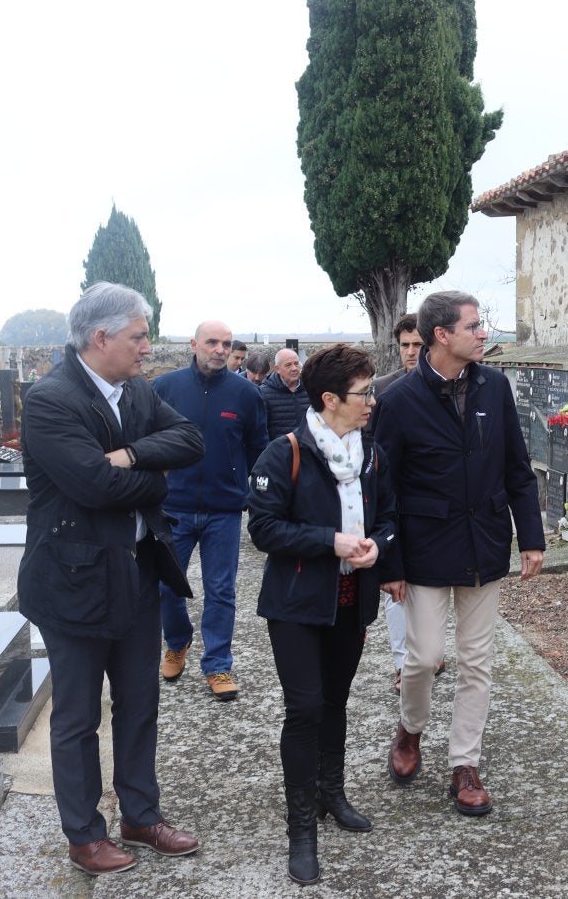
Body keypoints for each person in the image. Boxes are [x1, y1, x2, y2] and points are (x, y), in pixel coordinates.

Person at [17, 282, 203, 876]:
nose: (148, 347)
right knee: (77, 715)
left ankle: (140, 816)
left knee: (140, 702)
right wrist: (156, 478)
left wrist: (131, 456)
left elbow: (190, 440)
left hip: (136, 573)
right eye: (139, 336)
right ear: (101, 338)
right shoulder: (51, 400)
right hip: (72, 581)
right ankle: (84, 834)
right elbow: (93, 487)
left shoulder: (136, 391)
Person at [375, 290, 545, 817]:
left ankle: (464, 764)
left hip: (484, 543)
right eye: (473, 326)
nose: (483, 333)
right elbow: (383, 489)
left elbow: (517, 466)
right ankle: (410, 729)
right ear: (442, 335)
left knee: (477, 661)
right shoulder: (398, 400)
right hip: (425, 547)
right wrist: (389, 563)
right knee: (424, 657)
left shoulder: (494, 386)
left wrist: (531, 536)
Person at [248, 344, 399, 885]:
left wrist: (379, 546)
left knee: (335, 700)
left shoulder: (371, 454)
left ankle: (331, 794)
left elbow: (389, 517)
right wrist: (329, 541)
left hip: (350, 598)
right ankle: (301, 829)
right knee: (305, 706)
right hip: (296, 602)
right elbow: (263, 528)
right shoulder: (284, 452)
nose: (372, 402)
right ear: (330, 399)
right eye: (364, 393)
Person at [152, 320, 269, 701]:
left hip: (224, 510)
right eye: (212, 342)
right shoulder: (165, 388)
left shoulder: (246, 394)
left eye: (226, 343)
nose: (220, 349)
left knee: (221, 590)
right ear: (194, 344)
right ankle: (177, 641)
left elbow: (258, 449)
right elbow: (149, 442)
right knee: (166, 585)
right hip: (174, 506)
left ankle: (217, 663)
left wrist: (250, 491)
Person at [366, 313, 433, 693]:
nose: (410, 352)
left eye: (417, 345)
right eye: (405, 345)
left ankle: (428, 651)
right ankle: (402, 664)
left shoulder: (446, 387)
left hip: (433, 507)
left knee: (432, 587)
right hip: (393, 505)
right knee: (396, 588)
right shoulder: (382, 390)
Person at [261, 348, 308, 439]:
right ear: (277, 369)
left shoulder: (310, 388)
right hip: (279, 447)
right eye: (288, 365)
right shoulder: (264, 393)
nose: (294, 368)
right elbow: (261, 430)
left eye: (296, 363)